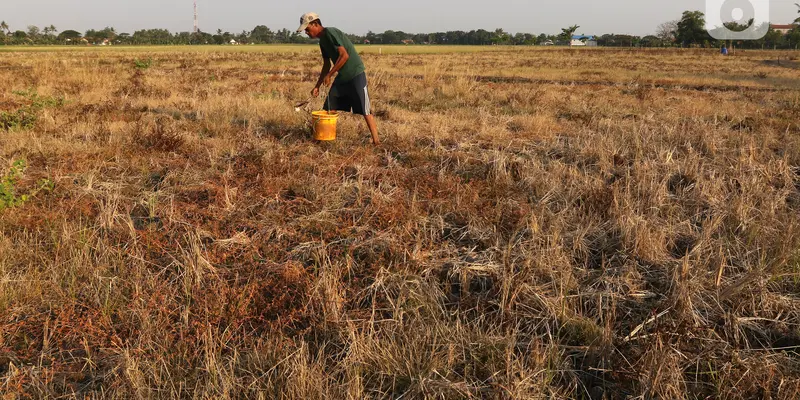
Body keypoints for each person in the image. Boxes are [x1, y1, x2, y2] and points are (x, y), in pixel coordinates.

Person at [297, 12, 380, 145]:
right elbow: (326, 65)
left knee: (365, 109)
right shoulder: (322, 42)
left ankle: (377, 142)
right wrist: (317, 86)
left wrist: (330, 75)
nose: (306, 32)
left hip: (355, 73)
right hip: (342, 76)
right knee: (329, 107)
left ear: (315, 24)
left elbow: (344, 55)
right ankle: (321, 139)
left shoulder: (330, 32)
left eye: (307, 28)